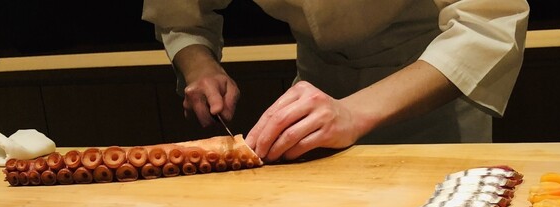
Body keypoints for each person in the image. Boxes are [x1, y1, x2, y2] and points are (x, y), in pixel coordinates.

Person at [142, 1, 530, 162]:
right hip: (314, 95)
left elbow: (487, 23)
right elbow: (181, 13)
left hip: (428, 92)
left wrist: (353, 113)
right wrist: (199, 63)